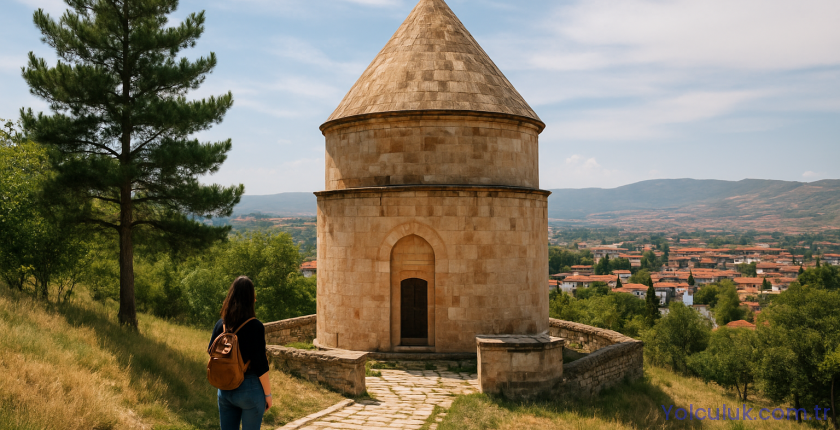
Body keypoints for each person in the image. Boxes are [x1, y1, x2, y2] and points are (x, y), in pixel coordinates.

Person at [210, 276, 272, 430]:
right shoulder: (255, 326)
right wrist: (268, 395)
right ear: (251, 298)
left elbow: (211, 351)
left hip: (224, 389)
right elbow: (261, 365)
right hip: (249, 388)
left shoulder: (221, 324)